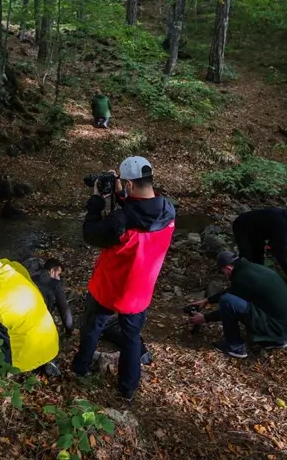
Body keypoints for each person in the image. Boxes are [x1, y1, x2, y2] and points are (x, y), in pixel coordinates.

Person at [72, 157, 176, 400]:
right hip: (140, 291)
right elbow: (141, 212)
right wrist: (122, 194)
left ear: (129, 183)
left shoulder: (120, 221)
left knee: (92, 328)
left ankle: (81, 368)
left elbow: (91, 234)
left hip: (108, 288)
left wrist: (96, 202)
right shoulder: (168, 210)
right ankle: (128, 389)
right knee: (131, 339)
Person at [187, 251, 287, 358]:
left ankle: (235, 347)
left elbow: (229, 303)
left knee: (227, 301)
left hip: (280, 327)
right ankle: (275, 340)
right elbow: (234, 290)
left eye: (223, 272)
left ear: (228, 269)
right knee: (235, 300)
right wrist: (207, 300)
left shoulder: (243, 278)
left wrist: (205, 318)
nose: (224, 275)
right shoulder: (252, 269)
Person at [0, 254, 59, 374]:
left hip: (25, 359)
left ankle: (7, 367)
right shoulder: (15, 269)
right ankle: (46, 361)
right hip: (51, 343)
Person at [231, 208, 287, 298]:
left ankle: (253, 286)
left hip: (258, 232)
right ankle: (235, 282)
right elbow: (283, 261)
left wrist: (274, 247)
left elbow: (275, 233)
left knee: (258, 263)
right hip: (243, 226)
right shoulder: (283, 226)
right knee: (247, 259)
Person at [30, 258, 74, 336]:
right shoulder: (56, 285)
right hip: (39, 322)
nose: (59, 278)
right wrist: (69, 330)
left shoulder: (31, 277)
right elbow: (64, 310)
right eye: (59, 274)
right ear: (52, 271)